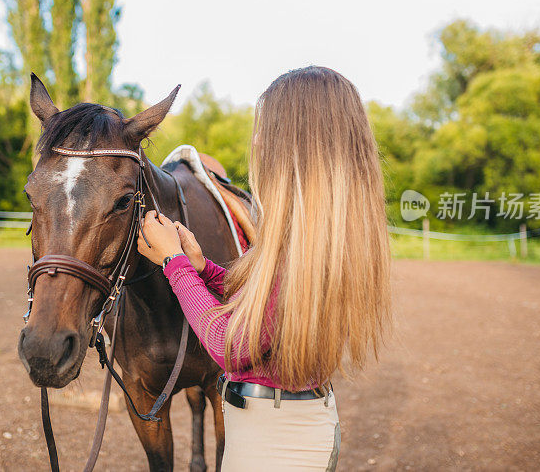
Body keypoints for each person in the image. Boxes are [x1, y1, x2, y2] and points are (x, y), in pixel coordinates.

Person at [137, 65, 391, 471]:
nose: (256, 142)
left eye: (264, 131)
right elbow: (267, 305)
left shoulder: (297, 249)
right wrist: (204, 270)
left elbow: (227, 346)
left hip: (275, 443)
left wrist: (174, 264)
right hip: (284, 428)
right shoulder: (313, 240)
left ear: (291, 147)